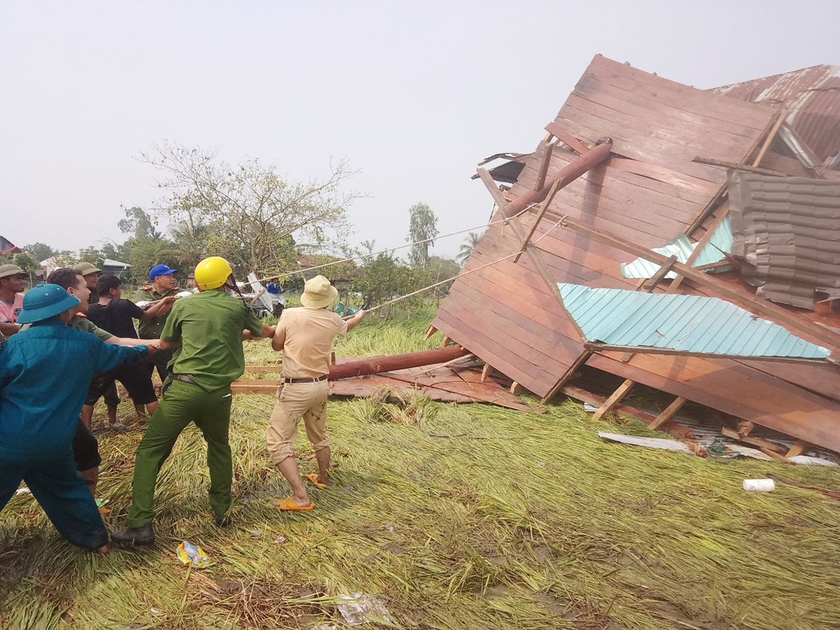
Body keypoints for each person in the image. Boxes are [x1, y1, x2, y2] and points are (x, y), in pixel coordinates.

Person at [111, 256, 274, 545]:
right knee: (219, 447)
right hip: (220, 393)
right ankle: (222, 510)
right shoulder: (237, 306)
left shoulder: (184, 305)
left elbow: (167, 342)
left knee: (150, 451)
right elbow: (262, 332)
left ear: (198, 282)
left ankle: (140, 525)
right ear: (226, 280)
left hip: (184, 390)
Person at [0, 284, 149, 554]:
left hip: (8, 441)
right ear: (65, 310)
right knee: (69, 491)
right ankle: (98, 542)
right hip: (55, 442)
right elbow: (121, 354)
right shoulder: (85, 344)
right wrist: (149, 349)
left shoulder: (13, 346)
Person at [46, 267, 158, 497]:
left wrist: (159, 342)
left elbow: (115, 340)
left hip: (62, 411)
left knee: (86, 449)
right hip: (43, 411)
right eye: (85, 287)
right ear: (70, 292)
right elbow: (110, 352)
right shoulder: (48, 331)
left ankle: (86, 503)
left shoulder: (82, 324)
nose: (90, 291)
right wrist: (143, 350)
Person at [266, 275, 365, 511]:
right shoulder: (333, 319)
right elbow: (347, 325)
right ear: (328, 298)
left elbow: (276, 345)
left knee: (277, 442)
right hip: (320, 386)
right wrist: (360, 316)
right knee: (319, 436)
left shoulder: (289, 315)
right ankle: (323, 478)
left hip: (296, 387)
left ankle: (301, 497)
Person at [83, 273, 175, 425]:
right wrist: (163, 302)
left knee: (89, 399)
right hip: (130, 356)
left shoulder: (90, 310)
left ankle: (87, 429)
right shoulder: (123, 304)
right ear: (112, 291)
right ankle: (158, 426)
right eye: (119, 288)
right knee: (147, 395)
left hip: (105, 359)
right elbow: (145, 316)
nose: (120, 292)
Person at [73, 261, 121, 422]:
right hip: (87, 345)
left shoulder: (92, 293)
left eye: (95, 274)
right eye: (91, 275)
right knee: (88, 392)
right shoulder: (78, 297)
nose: (95, 277)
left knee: (109, 389)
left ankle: (112, 421)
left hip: (101, 342)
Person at [137, 263, 180, 384]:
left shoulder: (177, 293)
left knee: (169, 379)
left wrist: (156, 304)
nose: (173, 279)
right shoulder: (143, 293)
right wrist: (167, 303)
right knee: (141, 380)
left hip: (165, 342)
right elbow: (151, 313)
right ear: (157, 278)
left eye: (173, 276)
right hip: (144, 342)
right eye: (169, 276)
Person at [0, 263, 27, 338]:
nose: (22, 282)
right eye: (18, 278)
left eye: (22, 279)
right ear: (4, 282)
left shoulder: (25, 299)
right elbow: (4, 329)